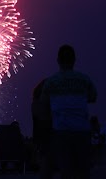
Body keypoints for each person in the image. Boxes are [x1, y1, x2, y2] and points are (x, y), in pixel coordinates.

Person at [40, 44, 97, 179]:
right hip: (82, 130)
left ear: (58, 60)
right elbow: (93, 97)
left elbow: (43, 103)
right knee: (83, 171)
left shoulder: (51, 82)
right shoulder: (84, 79)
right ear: (74, 60)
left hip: (61, 130)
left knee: (66, 170)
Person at [32, 78, 54, 178]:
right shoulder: (45, 104)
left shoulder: (35, 103)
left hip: (39, 133)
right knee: (47, 159)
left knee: (45, 159)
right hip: (47, 132)